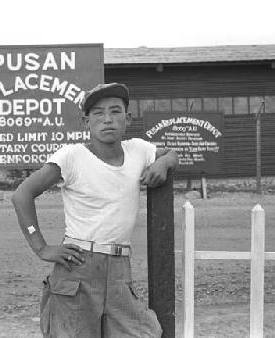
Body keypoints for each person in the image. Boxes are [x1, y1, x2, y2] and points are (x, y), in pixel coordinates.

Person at [11, 83, 179, 337]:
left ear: (128, 118)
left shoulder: (138, 150)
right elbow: (22, 195)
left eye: (115, 111)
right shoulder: (72, 157)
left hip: (120, 269)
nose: (108, 119)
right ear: (85, 121)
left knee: (145, 332)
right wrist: (41, 247)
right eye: (98, 113)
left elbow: (170, 152)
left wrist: (164, 163)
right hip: (79, 265)